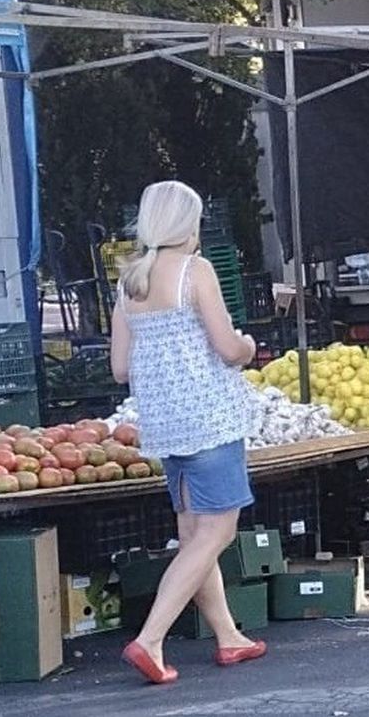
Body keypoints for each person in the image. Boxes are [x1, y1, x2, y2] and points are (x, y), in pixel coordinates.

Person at [110, 181, 265, 684]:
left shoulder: (129, 281)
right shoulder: (196, 271)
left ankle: (229, 638)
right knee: (216, 533)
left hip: (164, 427)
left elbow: (118, 368)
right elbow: (226, 347)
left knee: (193, 535)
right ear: (186, 224)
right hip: (210, 422)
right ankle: (150, 640)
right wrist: (246, 345)